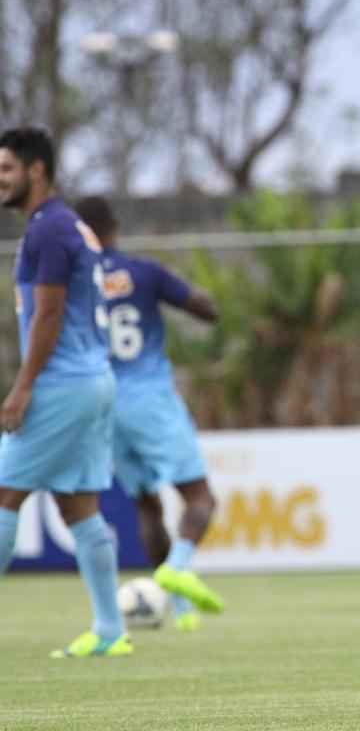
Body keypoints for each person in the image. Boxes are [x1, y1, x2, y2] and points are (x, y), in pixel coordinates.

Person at [0, 127, 130, 657]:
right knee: (79, 509)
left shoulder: (47, 230)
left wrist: (22, 387)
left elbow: (49, 313)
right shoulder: (69, 225)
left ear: (37, 170)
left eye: (6, 169)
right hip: (92, 379)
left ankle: (110, 628)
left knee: (5, 493)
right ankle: (110, 631)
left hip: (60, 383)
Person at [74, 196, 224, 629]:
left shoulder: (74, 281)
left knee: (146, 505)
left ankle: (177, 608)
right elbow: (206, 309)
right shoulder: (144, 271)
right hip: (151, 398)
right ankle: (178, 567)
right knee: (200, 497)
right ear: (114, 228)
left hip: (102, 402)